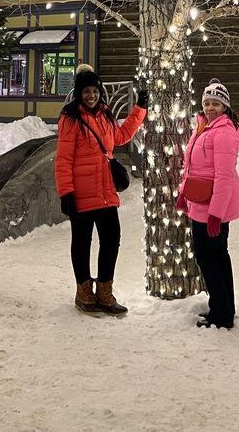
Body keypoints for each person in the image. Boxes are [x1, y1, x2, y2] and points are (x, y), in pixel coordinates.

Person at [55, 64, 148, 315]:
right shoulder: (71, 118)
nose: (92, 96)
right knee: (82, 243)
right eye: (87, 91)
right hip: (81, 194)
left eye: (95, 91)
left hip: (105, 193)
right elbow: (63, 159)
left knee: (111, 240)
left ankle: (105, 293)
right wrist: (66, 193)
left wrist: (140, 108)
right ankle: (83, 292)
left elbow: (121, 137)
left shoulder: (105, 115)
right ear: (79, 93)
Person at [176, 77, 239, 329]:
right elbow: (192, 166)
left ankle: (222, 314)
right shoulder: (204, 126)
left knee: (207, 257)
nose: (210, 107)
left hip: (211, 207)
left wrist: (215, 214)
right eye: (207, 102)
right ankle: (226, 307)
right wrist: (184, 193)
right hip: (201, 201)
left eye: (216, 103)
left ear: (225, 107)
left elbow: (223, 177)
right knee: (218, 256)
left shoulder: (224, 132)